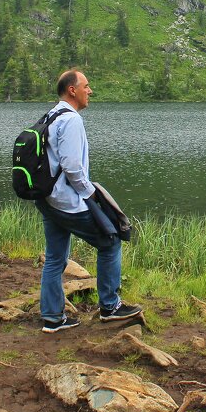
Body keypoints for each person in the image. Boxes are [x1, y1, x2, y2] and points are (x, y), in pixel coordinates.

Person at [37, 68, 141, 333]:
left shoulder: (51, 115)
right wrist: (90, 194)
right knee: (110, 241)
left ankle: (52, 317)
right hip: (66, 200)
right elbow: (72, 166)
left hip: (47, 198)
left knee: (54, 258)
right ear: (72, 90)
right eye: (86, 86)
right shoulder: (71, 120)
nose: (90, 90)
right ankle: (110, 307)